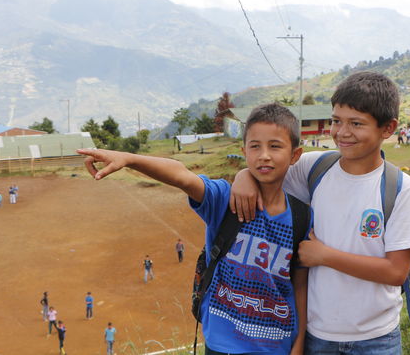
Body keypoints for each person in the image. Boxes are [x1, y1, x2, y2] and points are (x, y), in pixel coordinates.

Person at [77, 103, 311, 355]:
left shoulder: (301, 216)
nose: (264, 155)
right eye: (255, 146)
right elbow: (182, 175)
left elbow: (299, 285)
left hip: (277, 346)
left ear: (295, 155)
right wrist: (130, 159)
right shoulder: (224, 200)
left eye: (275, 146)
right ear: (244, 151)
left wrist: (297, 346)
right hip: (223, 345)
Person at [231, 72, 410, 355]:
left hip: (376, 339)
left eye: (356, 123)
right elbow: (265, 169)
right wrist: (242, 177)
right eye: (336, 121)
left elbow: (396, 271)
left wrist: (324, 256)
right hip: (317, 334)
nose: (342, 132)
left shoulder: (400, 188)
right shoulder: (315, 167)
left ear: (388, 128)